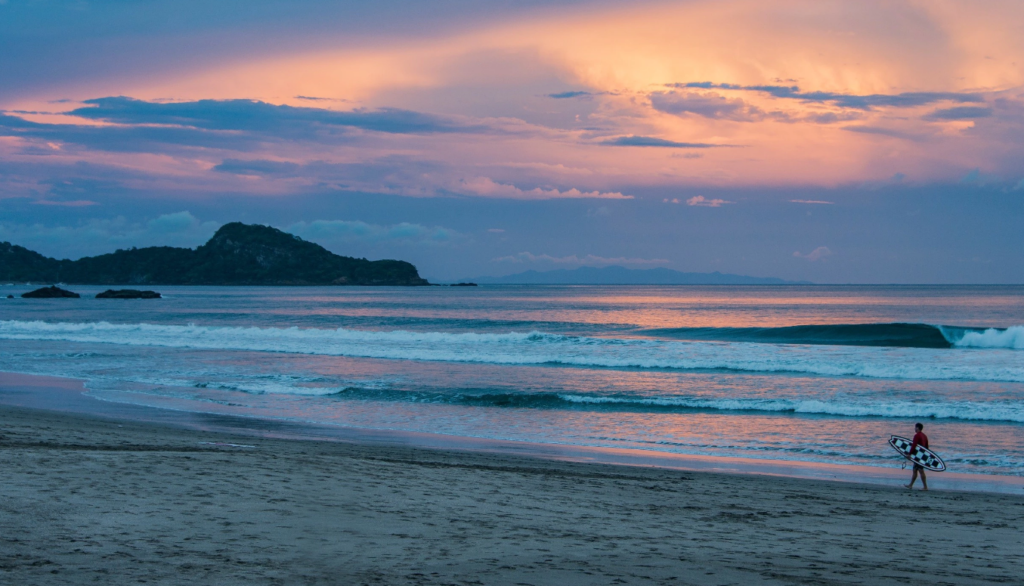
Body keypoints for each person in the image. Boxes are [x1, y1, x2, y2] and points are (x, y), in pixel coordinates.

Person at [905, 422, 929, 491]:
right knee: (915, 470)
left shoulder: (917, 435)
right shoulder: (924, 436)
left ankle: (925, 487)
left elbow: (914, 445)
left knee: (921, 471)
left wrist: (909, 454)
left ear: (918, 428)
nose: (914, 429)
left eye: (915, 427)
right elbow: (927, 447)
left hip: (918, 457)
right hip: (922, 456)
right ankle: (910, 485)